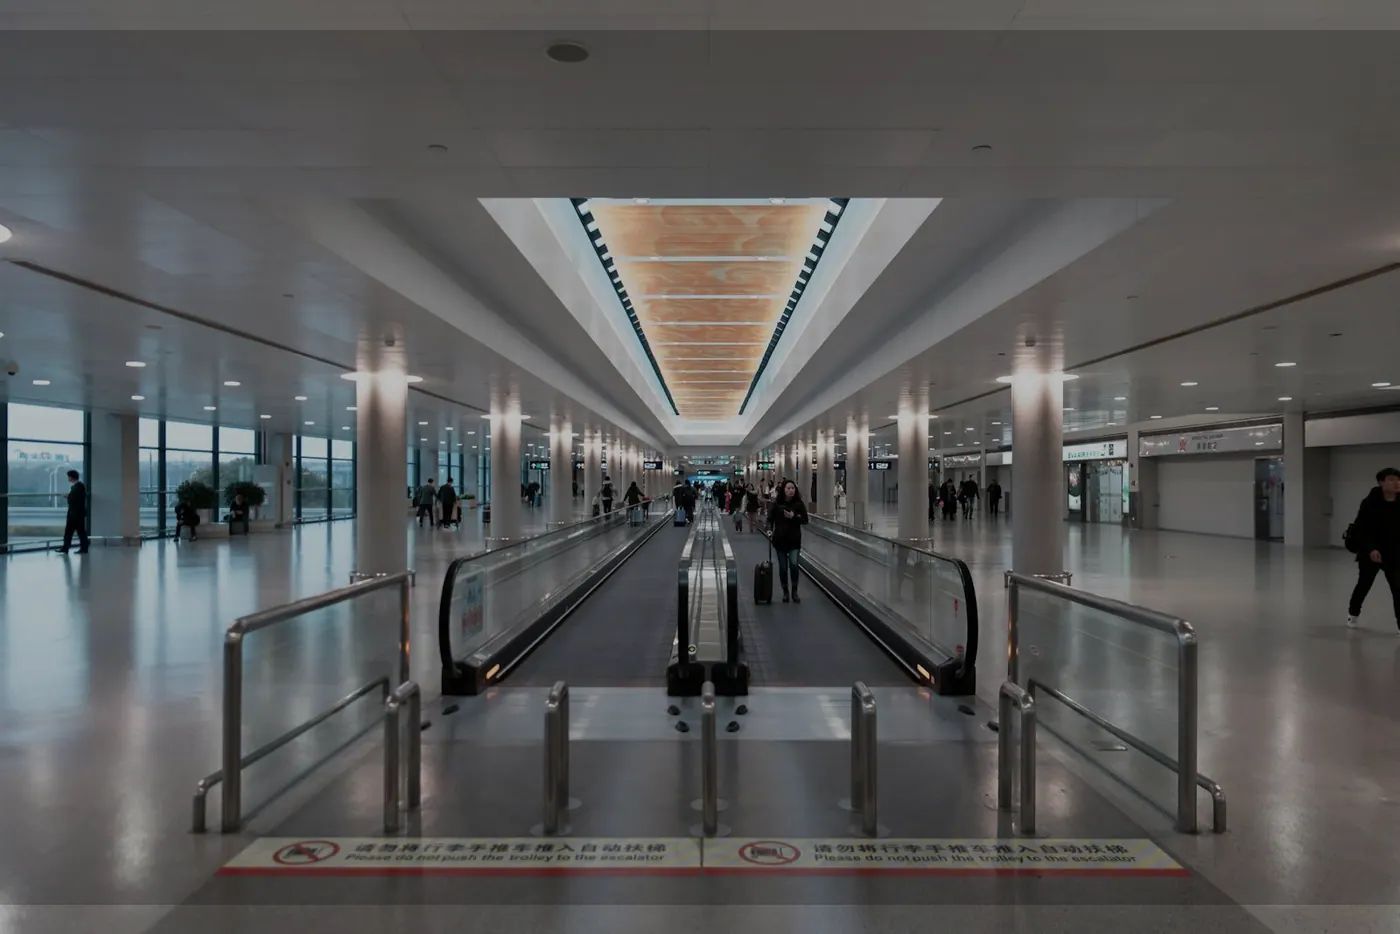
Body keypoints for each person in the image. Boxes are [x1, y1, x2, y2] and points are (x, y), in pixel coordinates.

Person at [1347, 467, 1400, 631]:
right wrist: (1370, 549)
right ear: (1381, 483)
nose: (1396, 483)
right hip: (1370, 553)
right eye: (1391, 479)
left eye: (1398, 479)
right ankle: (1353, 613)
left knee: (1398, 588)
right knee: (1364, 584)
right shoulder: (1370, 502)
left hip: (1394, 553)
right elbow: (1363, 529)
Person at [768, 479, 810, 603]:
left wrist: (794, 517)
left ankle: (795, 591)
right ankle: (785, 591)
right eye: (788, 488)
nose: (791, 490)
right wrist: (769, 529)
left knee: (793, 564)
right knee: (783, 567)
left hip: (794, 540)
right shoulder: (776, 504)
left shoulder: (799, 504)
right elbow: (770, 519)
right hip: (780, 539)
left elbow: (805, 520)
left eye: (793, 488)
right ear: (784, 490)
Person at [57, 468, 89, 554]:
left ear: (71, 477)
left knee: (80, 532)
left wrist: (67, 496)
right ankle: (66, 547)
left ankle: (83, 548)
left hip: (76, 514)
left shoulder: (78, 487)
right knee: (69, 531)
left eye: (69, 477)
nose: (68, 478)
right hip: (74, 513)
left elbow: (72, 500)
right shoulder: (78, 486)